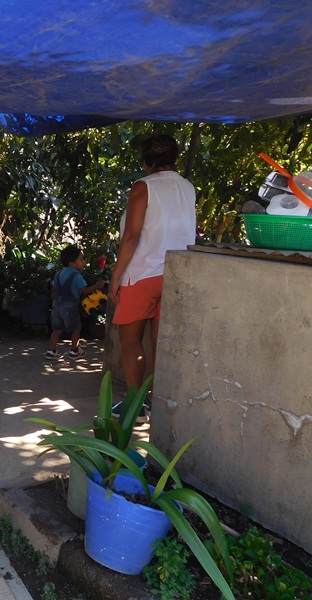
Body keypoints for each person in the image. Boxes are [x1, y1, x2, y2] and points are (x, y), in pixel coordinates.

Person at [108, 134, 196, 419]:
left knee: (131, 341)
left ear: (146, 161)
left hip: (143, 273)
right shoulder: (188, 187)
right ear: (174, 158)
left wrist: (116, 276)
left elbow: (132, 235)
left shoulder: (143, 187)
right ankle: (159, 404)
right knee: (160, 345)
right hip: (175, 274)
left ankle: (136, 406)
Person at [45, 245, 105, 361]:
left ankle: (51, 351)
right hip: (70, 306)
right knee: (76, 328)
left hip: (57, 305)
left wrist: (55, 301)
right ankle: (74, 350)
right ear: (72, 263)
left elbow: (53, 289)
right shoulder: (77, 276)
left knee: (57, 329)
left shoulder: (59, 273)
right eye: (81, 259)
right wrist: (97, 286)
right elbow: (85, 290)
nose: (84, 262)